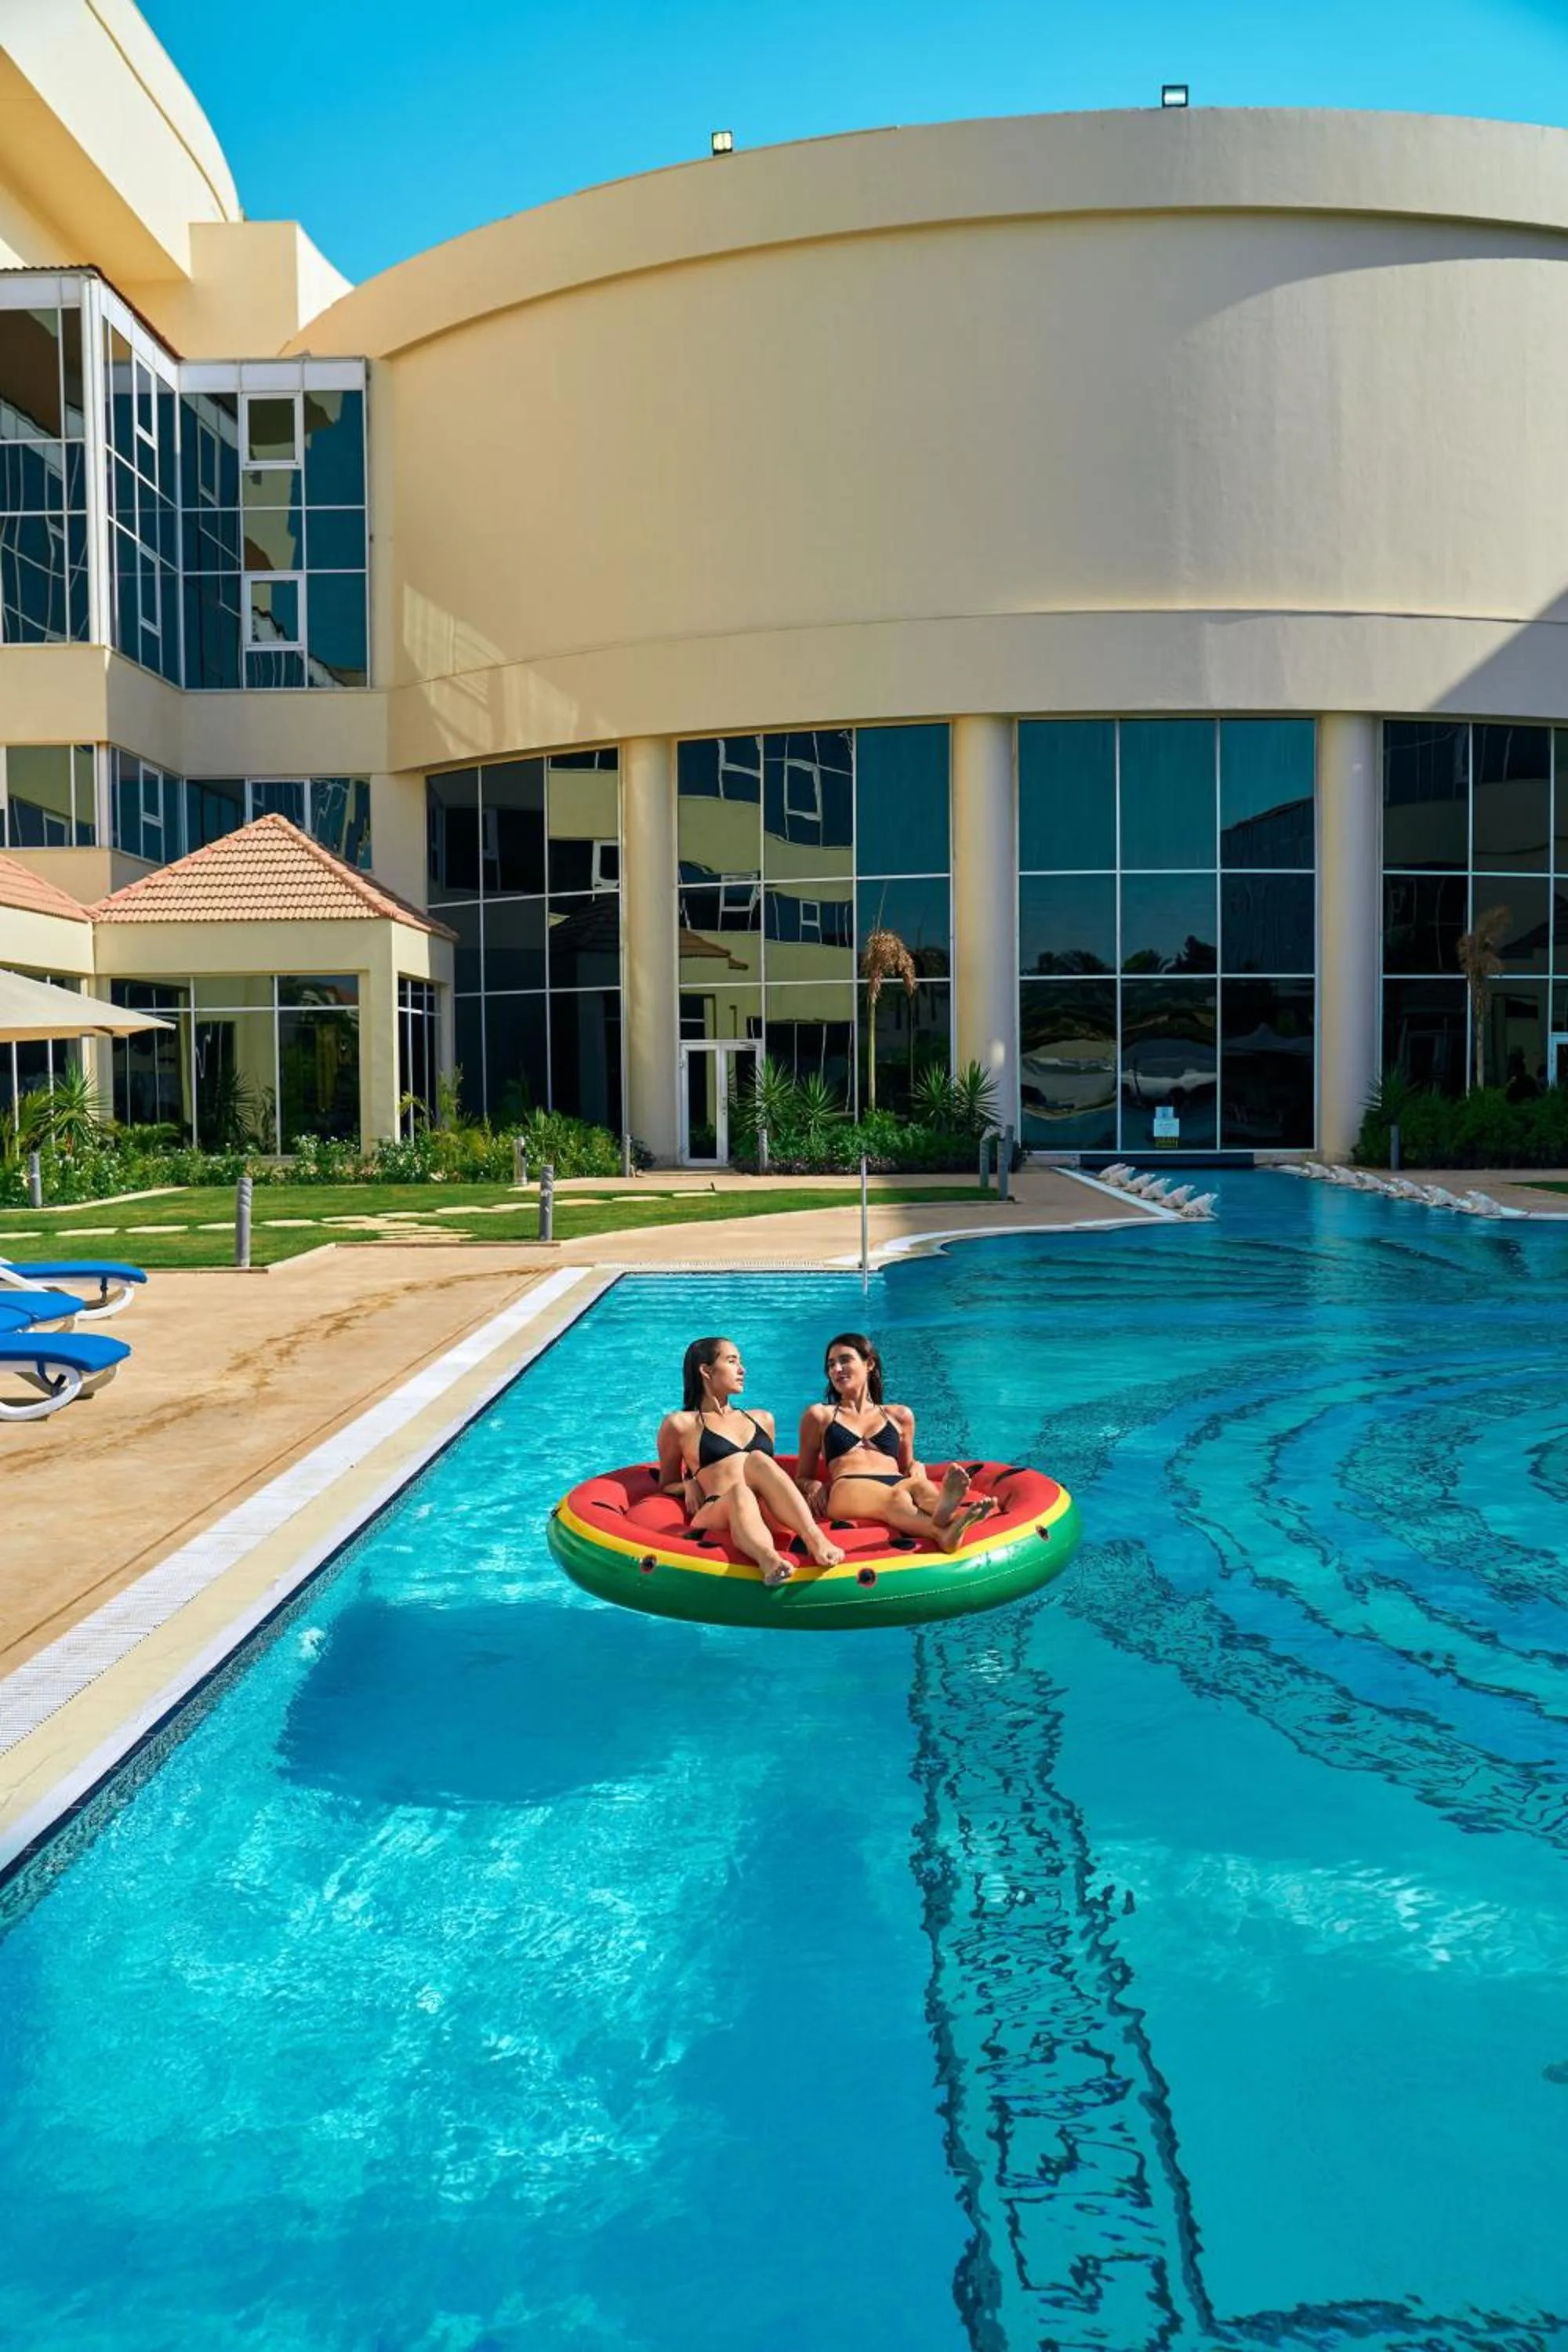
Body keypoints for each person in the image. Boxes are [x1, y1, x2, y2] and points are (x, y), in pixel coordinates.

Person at [657, 1336, 845, 1588]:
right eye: (732, 1361)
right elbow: (666, 1483)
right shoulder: (680, 1424)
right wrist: (688, 1484)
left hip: (764, 1510)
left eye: (740, 1362)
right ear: (706, 1370)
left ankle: (815, 1538)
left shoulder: (762, 1419)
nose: (742, 1369)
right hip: (719, 1507)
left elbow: (771, 1479)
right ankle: (768, 1559)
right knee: (739, 1492)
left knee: (758, 1460)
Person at [795, 1332, 998, 1553]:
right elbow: (802, 1476)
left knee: (920, 1487)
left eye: (845, 1360)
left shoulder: (900, 1415)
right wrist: (811, 1485)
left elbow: (907, 1465)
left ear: (869, 1364)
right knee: (896, 1499)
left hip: (895, 1479)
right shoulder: (819, 1415)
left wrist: (916, 1467)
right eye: (831, 1364)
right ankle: (942, 1531)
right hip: (847, 1486)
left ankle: (947, 1513)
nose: (836, 1369)